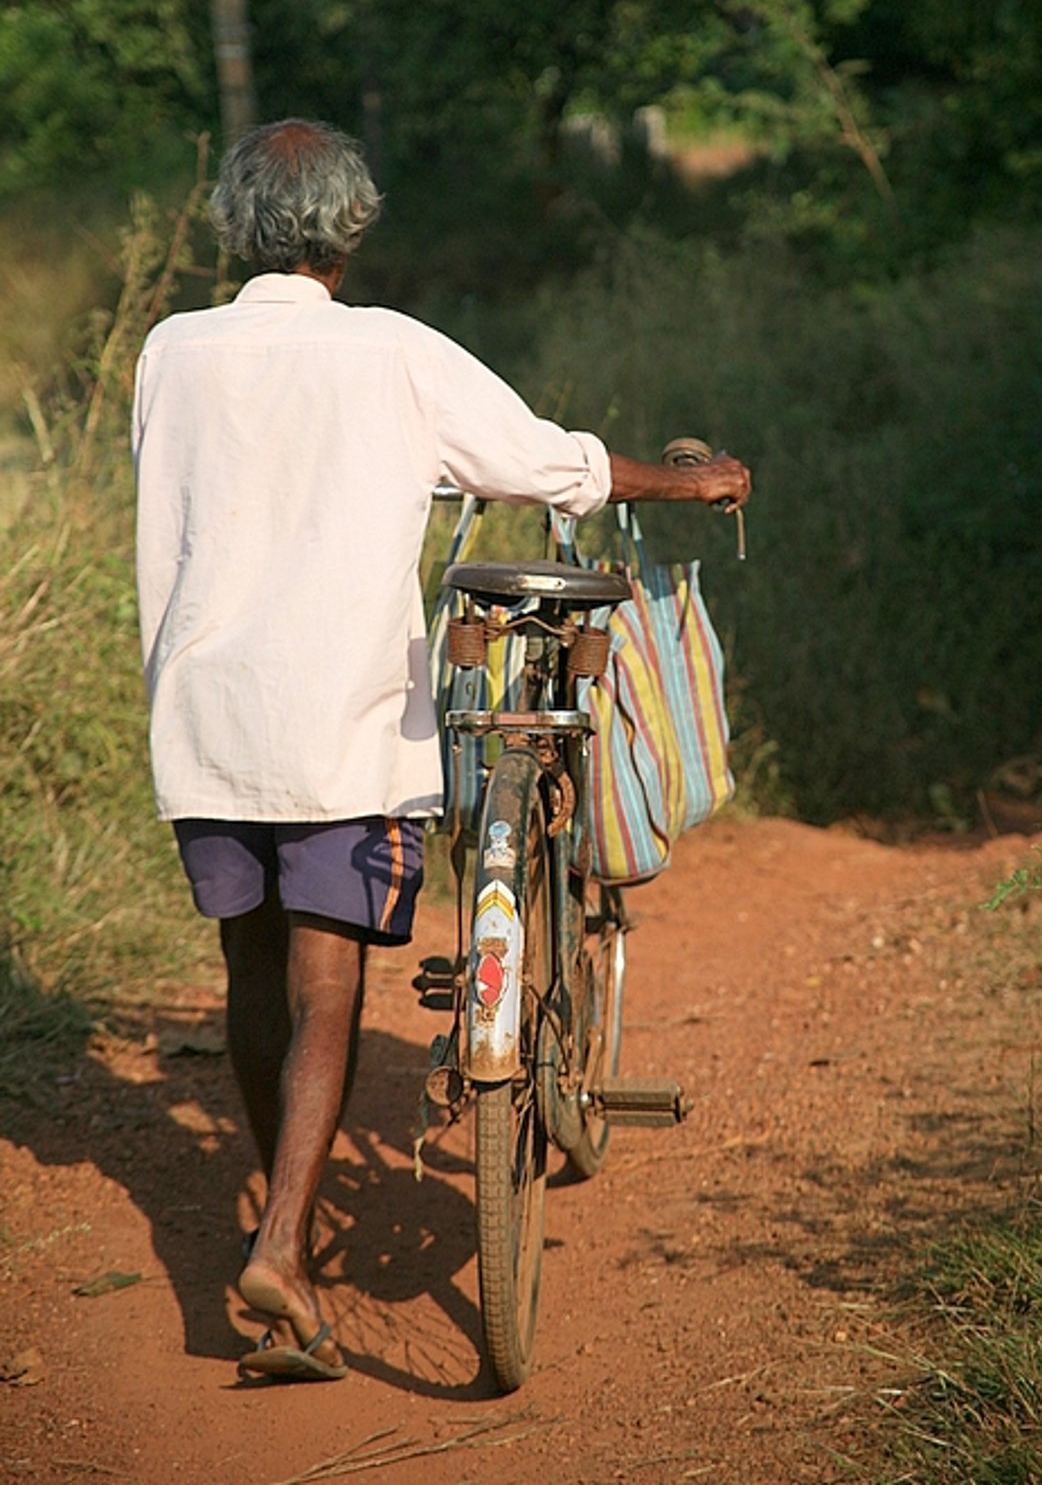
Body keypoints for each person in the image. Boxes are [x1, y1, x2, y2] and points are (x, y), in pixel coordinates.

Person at [132, 118, 751, 1383]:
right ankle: (283, 1244)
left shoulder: (169, 352)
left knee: (250, 973)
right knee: (328, 986)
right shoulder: (390, 354)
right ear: (351, 232)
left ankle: (280, 1223)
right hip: (338, 723)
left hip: (204, 720)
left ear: (234, 225)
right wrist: (688, 484)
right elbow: (549, 464)